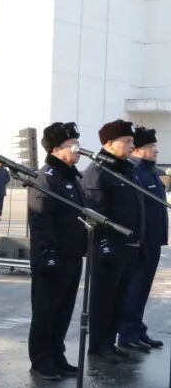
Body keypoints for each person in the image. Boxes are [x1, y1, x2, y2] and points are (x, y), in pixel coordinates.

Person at [82, 119, 145, 364]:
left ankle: (109, 341)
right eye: (127, 141)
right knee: (103, 299)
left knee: (118, 299)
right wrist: (104, 245)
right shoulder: (98, 171)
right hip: (108, 248)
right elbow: (95, 212)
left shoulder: (125, 169)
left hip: (128, 247)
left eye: (132, 141)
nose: (132, 145)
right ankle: (99, 345)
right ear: (109, 144)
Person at [27, 122, 86, 380]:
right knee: (46, 311)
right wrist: (47, 254)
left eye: (77, 143)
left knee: (63, 310)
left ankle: (56, 355)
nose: (77, 149)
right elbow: (40, 219)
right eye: (71, 145)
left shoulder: (71, 176)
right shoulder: (46, 178)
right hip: (52, 256)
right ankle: (41, 360)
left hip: (72, 254)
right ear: (55, 149)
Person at [118, 126, 166, 351]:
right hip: (142, 241)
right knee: (134, 288)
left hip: (153, 239)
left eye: (155, 146)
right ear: (136, 150)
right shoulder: (135, 172)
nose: (155, 150)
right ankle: (127, 334)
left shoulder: (150, 171)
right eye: (150, 146)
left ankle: (137, 329)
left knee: (143, 289)